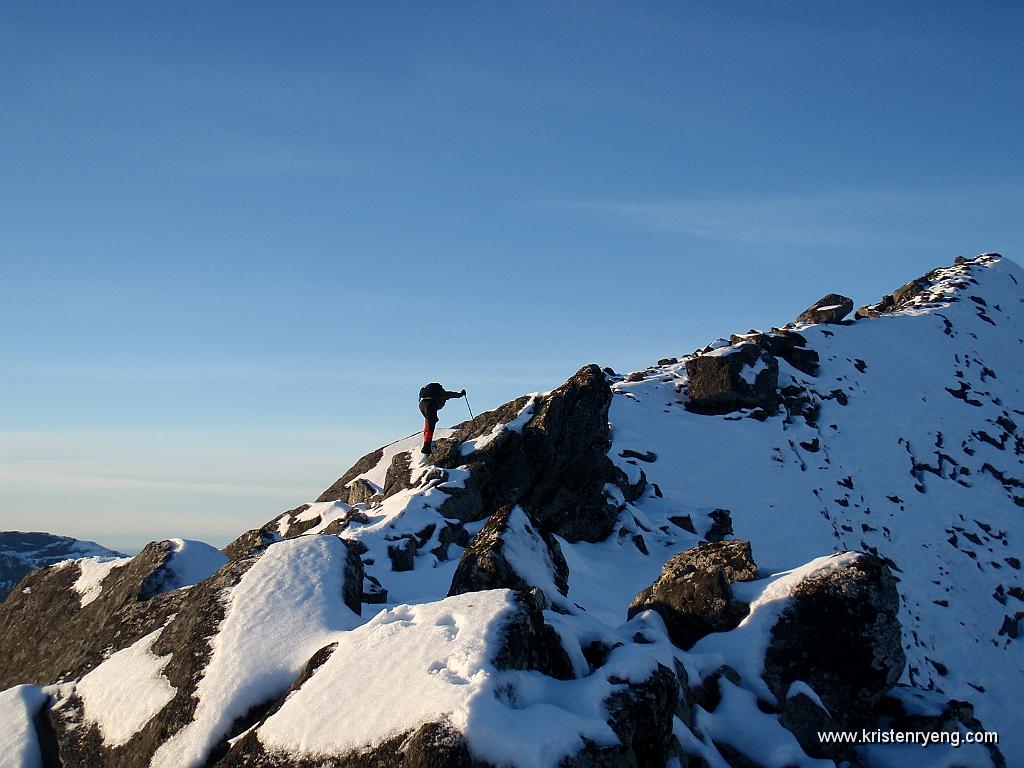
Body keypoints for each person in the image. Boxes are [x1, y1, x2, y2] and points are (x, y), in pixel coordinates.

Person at [419, 383, 465, 454]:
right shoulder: (442, 393)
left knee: (428, 422)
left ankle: (427, 443)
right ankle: (427, 447)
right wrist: (461, 394)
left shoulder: (428, 393)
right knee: (431, 424)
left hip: (422, 405)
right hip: (431, 404)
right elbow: (452, 394)